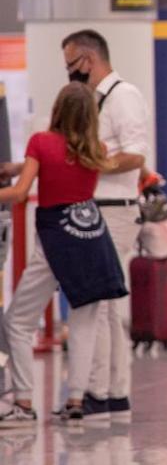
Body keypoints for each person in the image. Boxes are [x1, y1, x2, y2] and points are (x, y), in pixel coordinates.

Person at [0, 84, 128, 425]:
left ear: (58, 108)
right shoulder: (95, 148)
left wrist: (12, 178)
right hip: (91, 236)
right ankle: (75, 400)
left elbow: (21, 192)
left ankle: (24, 403)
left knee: (18, 321)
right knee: (83, 324)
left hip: (55, 239)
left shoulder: (41, 142)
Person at [62, 30, 149, 420]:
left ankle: (99, 389)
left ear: (88, 59)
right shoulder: (99, 101)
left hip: (114, 209)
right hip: (98, 208)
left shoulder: (124, 96)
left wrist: (91, 164)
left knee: (98, 304)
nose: (68, 73)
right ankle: (114, 391)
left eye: (70, 64)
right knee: (109, 307)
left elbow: (135, 155)